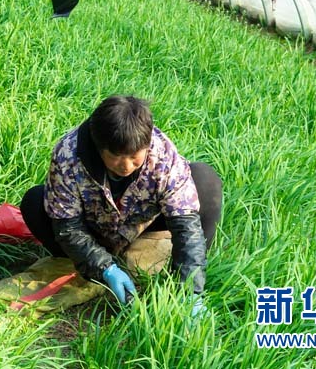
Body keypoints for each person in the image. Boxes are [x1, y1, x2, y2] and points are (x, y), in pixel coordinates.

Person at [19, 95, 222, 315]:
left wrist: (191, 291)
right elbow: (68, 228)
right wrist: (106, 269)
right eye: (115, 156)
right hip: (94, 230)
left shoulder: (163, 155)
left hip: (143, 225)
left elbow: (186, 227)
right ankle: (90, 267)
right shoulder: (68, 154)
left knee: (205, 180)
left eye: (135, 156)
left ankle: (178, 270)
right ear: (99, 147)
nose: (126, 166)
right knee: (35, 202)